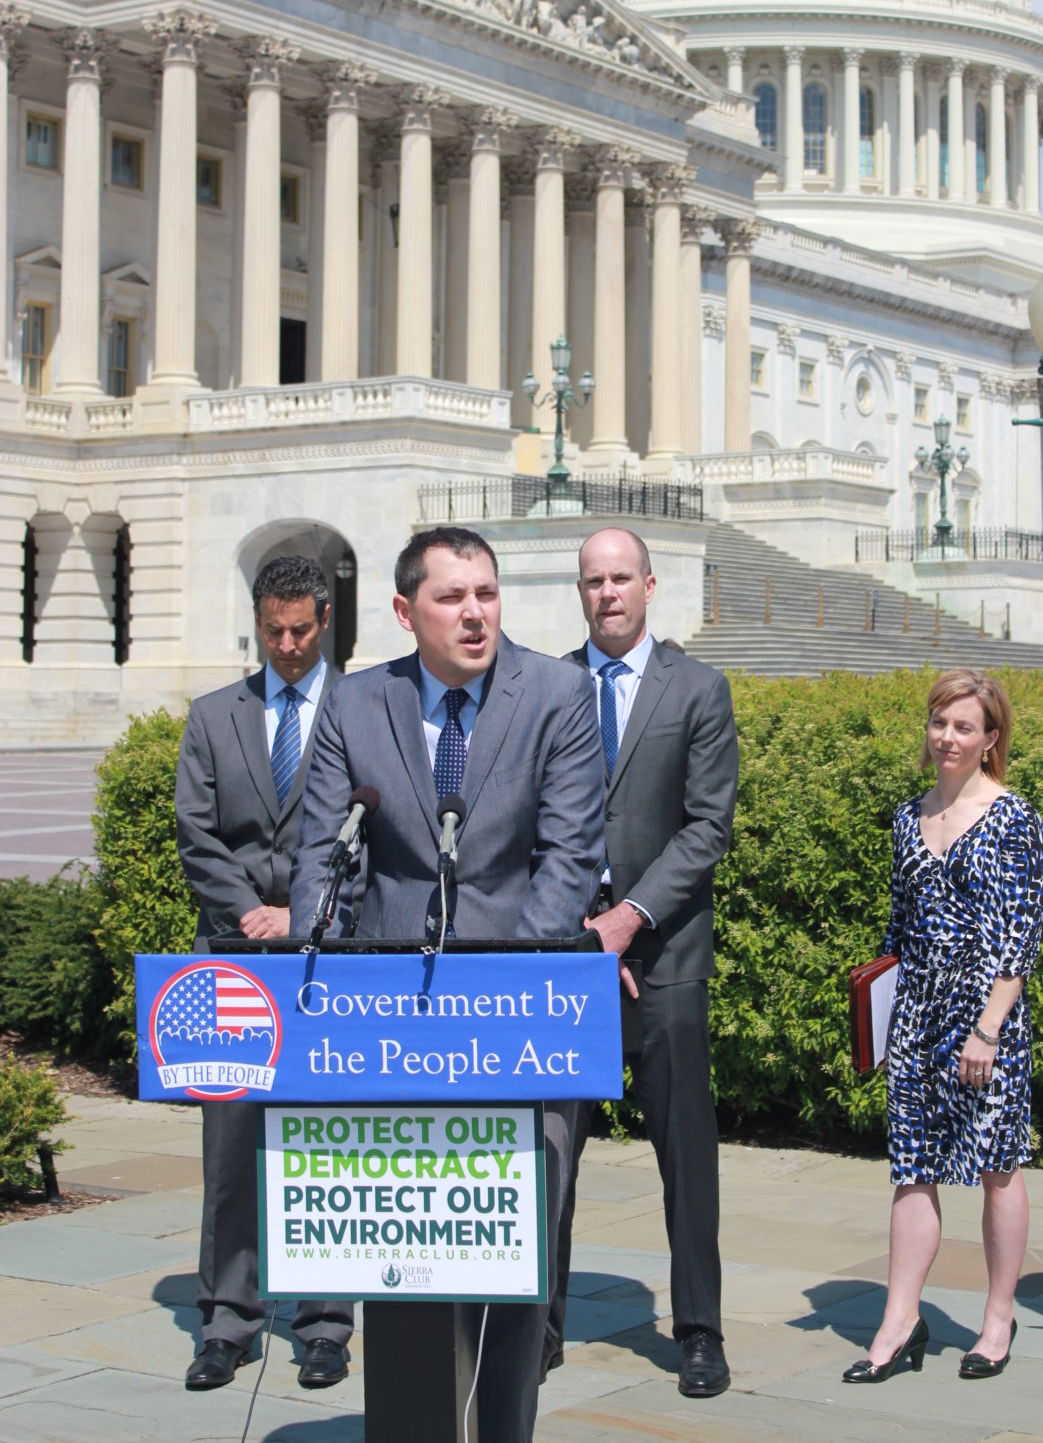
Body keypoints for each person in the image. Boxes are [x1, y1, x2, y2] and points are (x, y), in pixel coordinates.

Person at [290, 525, 606, 1443]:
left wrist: (496, 993)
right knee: (408, 1260)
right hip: (389, 1029)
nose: (475, 613)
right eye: (451, 598)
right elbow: (325, 859)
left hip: (522, 1019)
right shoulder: (355, 704)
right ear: (404, 611)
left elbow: (568, 857)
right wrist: (331, 986)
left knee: (513, 1269)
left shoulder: (558, 694)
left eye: (488, 594)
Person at [545, 526, 739, 1399]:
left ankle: (699, 1332)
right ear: (580, 590)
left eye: (622, 579)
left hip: (663, 955)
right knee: (549, 1151)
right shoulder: (543, 687)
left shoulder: (696, 688)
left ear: (651, 586)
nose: (608, 593)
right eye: (594, 581)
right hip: (563, 959)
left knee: (685, 1155)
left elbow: (707, 827)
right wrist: (582, 927)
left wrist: (625, 920)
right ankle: (537, 1323)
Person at [175, 555, 354, 1393]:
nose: (287, 646)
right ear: (258, 621)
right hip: (237, 957)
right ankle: (228, 1320)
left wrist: (305, 911)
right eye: (273, 631)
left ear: (326, 622)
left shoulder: (366, 711)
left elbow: (376, 831)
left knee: (321, 1138)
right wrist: (252, 911)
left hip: (325, 956)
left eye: (302, 631)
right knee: (233, 1144)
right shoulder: (215, 717)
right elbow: (197, 834)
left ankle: (325, 1324)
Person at [844, 669, 1043, 1386]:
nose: (948, 738)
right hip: (918, 1016)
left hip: (989, 1019)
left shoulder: (1014, 816)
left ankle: (997, 1318)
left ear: (991, 739)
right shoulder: (907, 817)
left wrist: (986, 1030)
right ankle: (899, 1324)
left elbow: (1021, 936)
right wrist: (883, 1015)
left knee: (997, 1167)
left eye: (965, 727)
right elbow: (898, 926)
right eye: (940, 724)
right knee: (912, 1172)